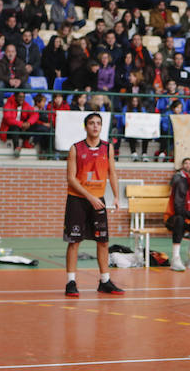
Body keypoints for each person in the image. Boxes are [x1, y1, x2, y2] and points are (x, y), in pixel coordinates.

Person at [63, 113, 124, 298]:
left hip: (98, 199)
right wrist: (89, 197)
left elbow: (112, 173)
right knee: (74, 241)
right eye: (91, 123)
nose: (95, 126)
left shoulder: (107, 147)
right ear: (86, 126)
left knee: (103, 241)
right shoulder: (75, 148)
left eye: (98, 123)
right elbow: (71, 179)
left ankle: (105, 281)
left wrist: (115, 196)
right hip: (78, 199)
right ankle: (71, 282)